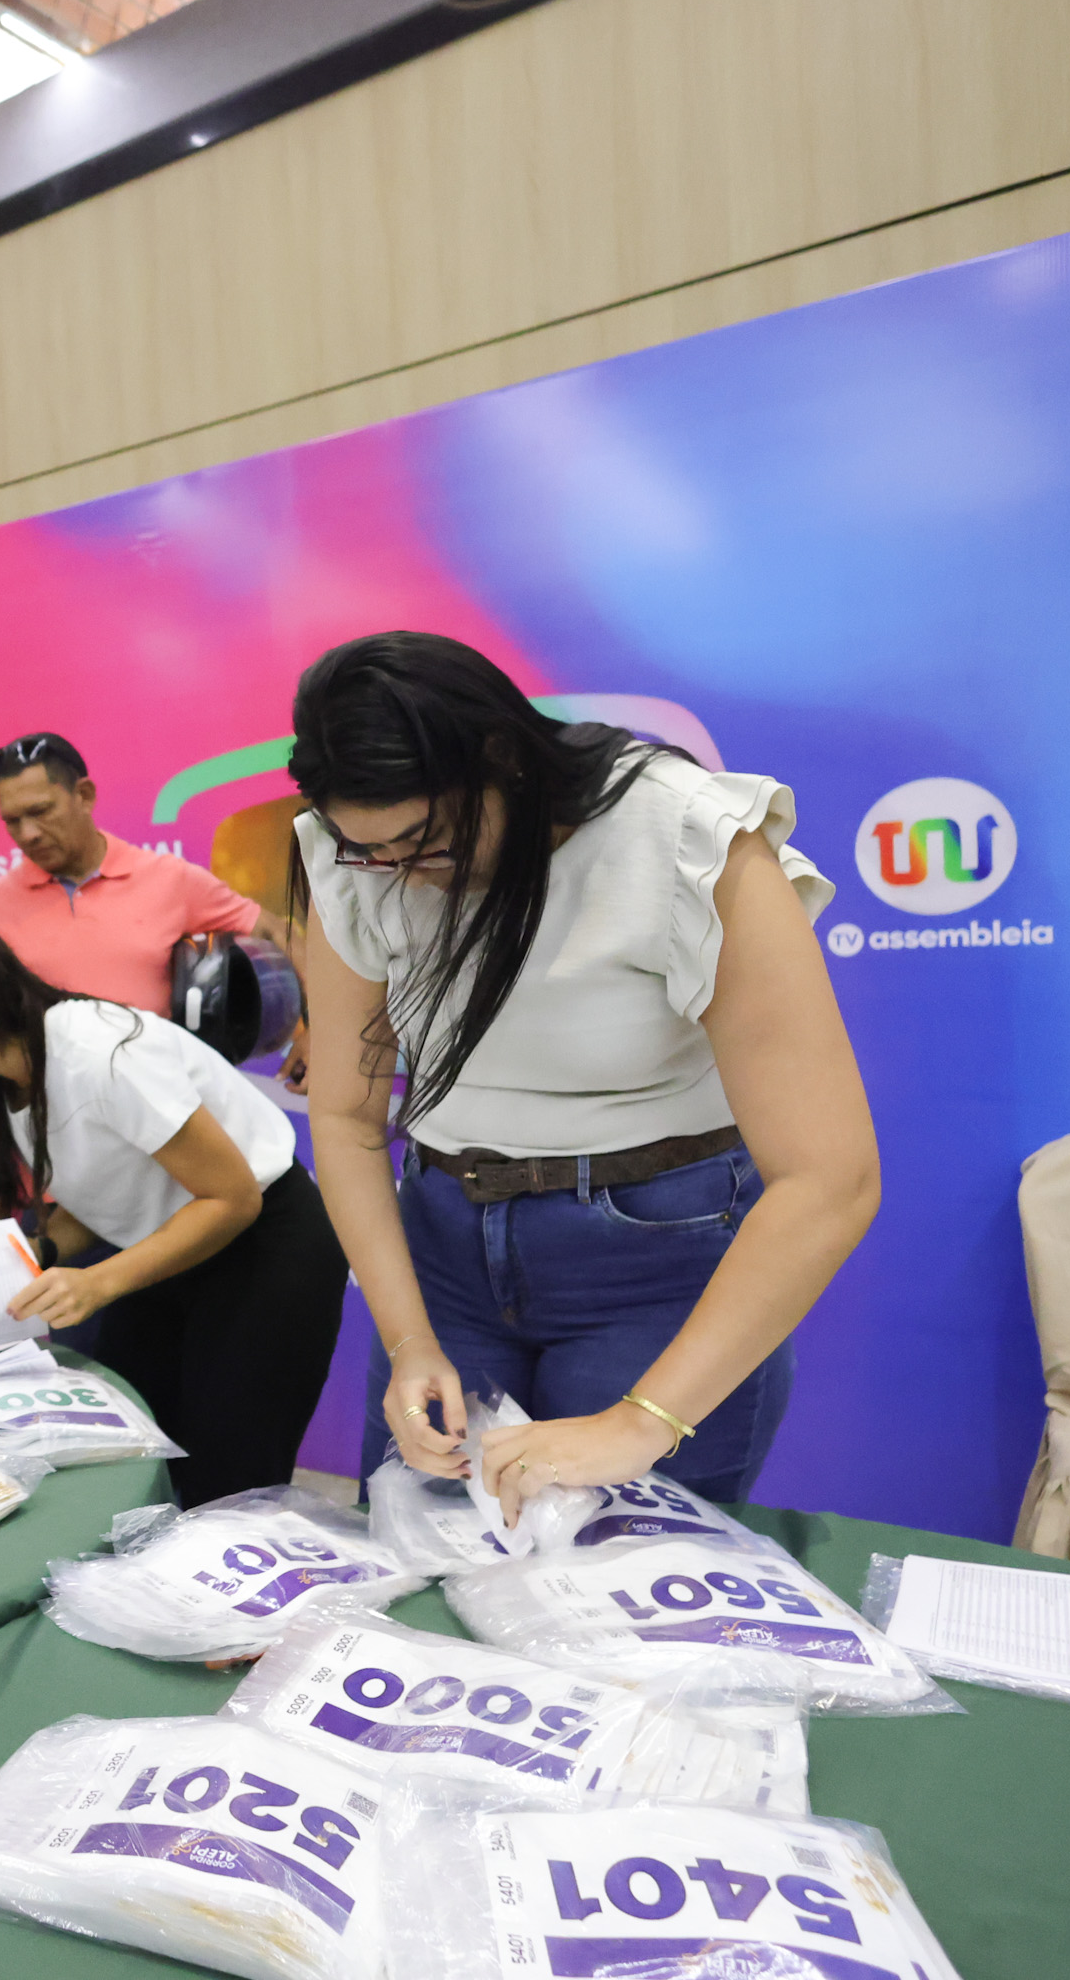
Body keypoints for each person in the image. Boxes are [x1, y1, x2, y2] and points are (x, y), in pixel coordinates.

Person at [288, 632, 879, 1521]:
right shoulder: (354, 855)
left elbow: (830, 1178)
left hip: (653, 1261)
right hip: (444, 1248)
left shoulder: (680, 835)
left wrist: (642, 1421)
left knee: (617, 1594)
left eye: (425, 840)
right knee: (425, 1565)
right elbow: (346, 1117)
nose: (403, 876)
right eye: (370, 852)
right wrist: (408, 1336)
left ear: (501, 761)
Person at [0, 906, 349, 1505]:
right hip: (169, 1252)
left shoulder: (97, 1050)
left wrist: (99, 1283)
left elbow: (233, 1197)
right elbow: (117, 1183)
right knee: (123, 1464)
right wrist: (42, 1249)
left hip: (263, 1247)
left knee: (224, 1496)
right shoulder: (2, 1080)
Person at [0, 731, 268, 1014]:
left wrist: (310, 1029)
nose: (28, 834)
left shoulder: (169, 880)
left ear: (84, 795)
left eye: (40, 812)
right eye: (12, 820)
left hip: (157, 1066)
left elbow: (275, 933)